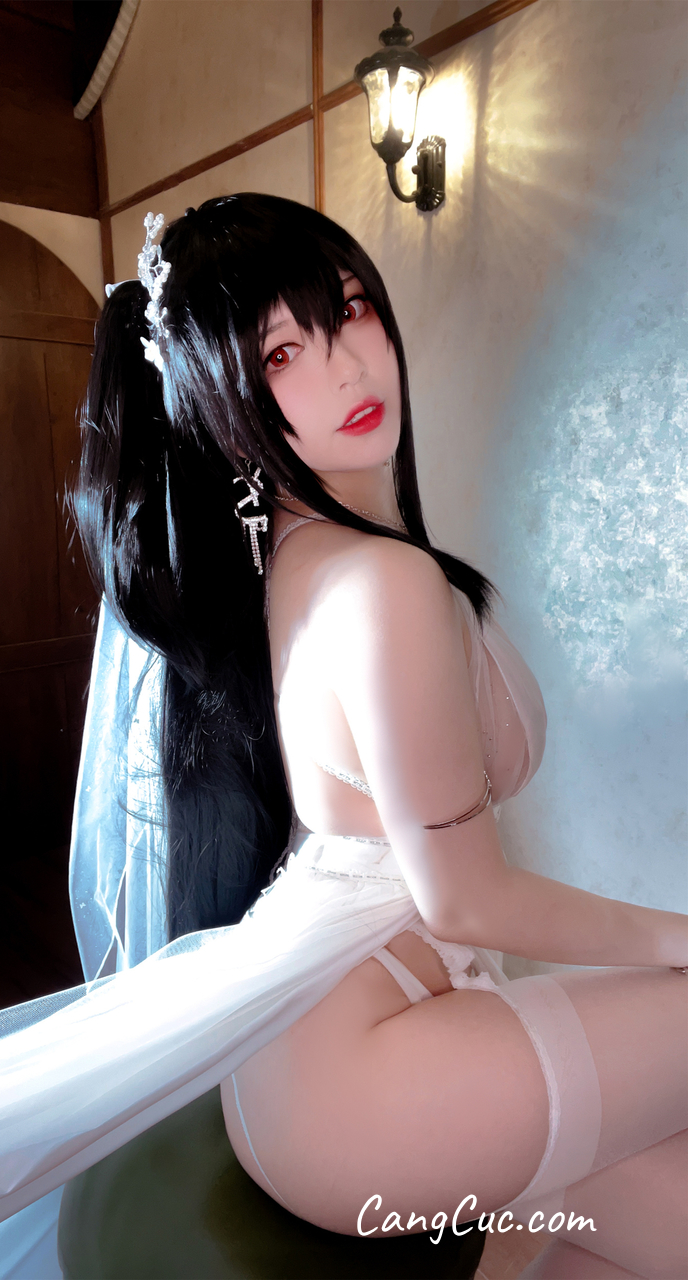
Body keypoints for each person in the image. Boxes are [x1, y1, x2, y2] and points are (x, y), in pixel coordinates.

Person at [0, 195, 686, 1280]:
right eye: (280, 354)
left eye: (351, 308)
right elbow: (465, 897)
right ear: (223, 405)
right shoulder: (381, 580)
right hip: (357, 1088)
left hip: (325, 1058)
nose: (348, 367)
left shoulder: (303, 556)